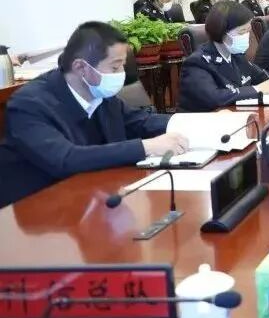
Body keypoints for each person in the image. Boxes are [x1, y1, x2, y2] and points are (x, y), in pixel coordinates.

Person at [0, 22, 187, 206]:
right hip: (42, 208)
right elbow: (65, 159)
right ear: (81, 67)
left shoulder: (100, 94)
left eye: (123, 65)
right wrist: (146, 147)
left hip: (95, 196)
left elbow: (140, 122)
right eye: (115, 67)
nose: (122, 74)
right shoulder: (29, 104)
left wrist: (196, 124)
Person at [179, 1, 269, 112]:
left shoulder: (236, 56)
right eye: (242, 32)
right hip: (204, 126)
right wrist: (257, 89)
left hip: (237, 117)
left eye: (248, 31)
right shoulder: (198, 62)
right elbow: (214, 98)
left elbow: (266, 78)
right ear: (221, 32)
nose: (246, 36)